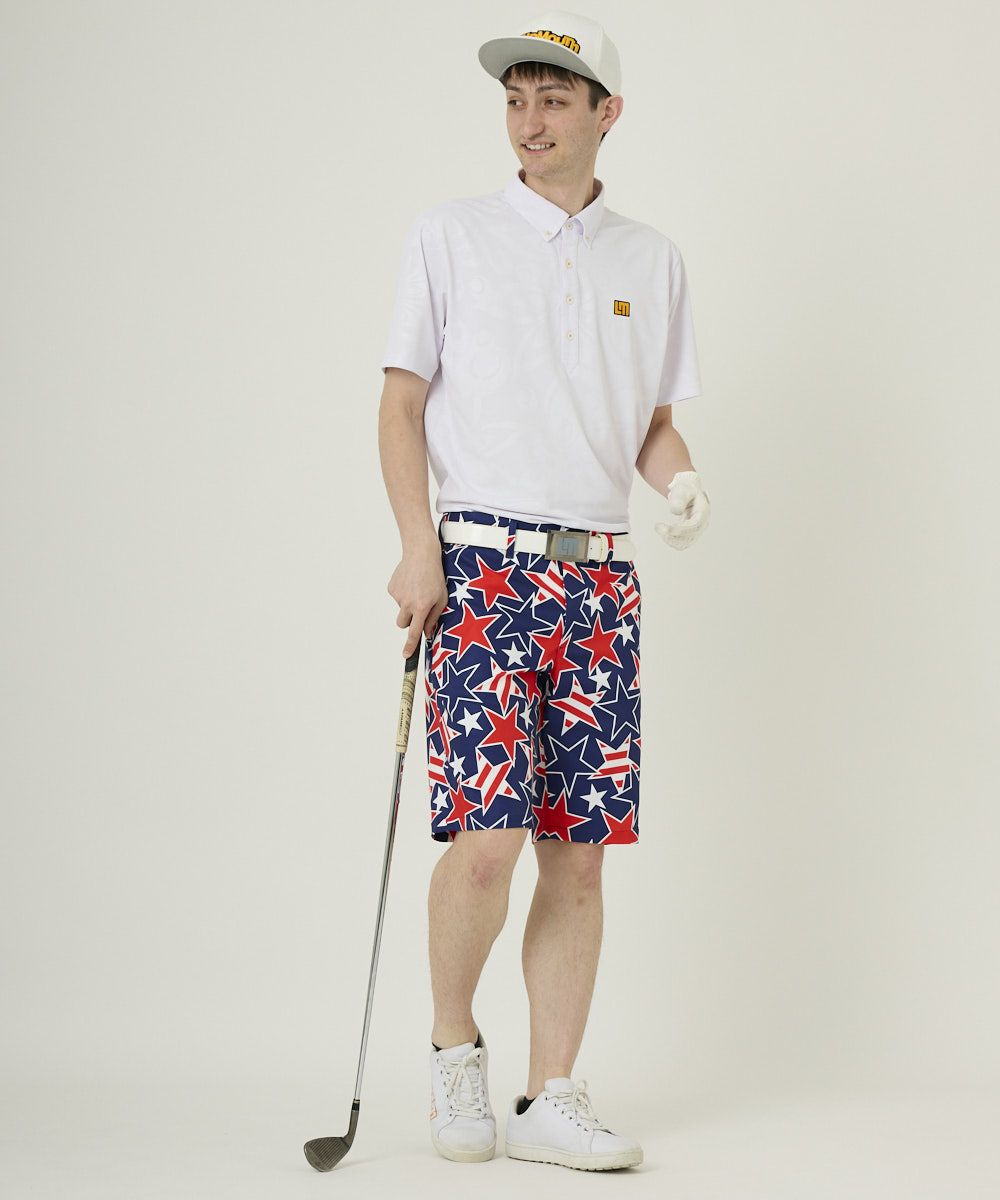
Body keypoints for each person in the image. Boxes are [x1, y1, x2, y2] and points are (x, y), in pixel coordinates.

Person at [377, 8, 710, 1172]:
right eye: (516, 98)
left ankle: (550, 1094)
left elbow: (650, 423)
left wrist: (679, 483)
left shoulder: (651, 259)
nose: (529, 119)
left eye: (554, 99)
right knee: (487, 838)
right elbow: (401, 403)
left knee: (579, 849)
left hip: (597, 580)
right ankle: (452, 1046)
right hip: (479, 567)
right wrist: (416, 547)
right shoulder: (451, 235)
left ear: (606, 112)